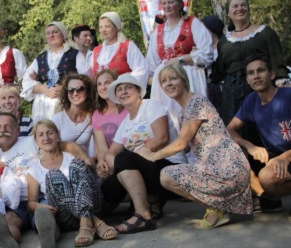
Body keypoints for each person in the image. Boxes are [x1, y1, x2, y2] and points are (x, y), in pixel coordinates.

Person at [144, 64, 252, 228]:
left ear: (184, 81)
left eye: (173, 78)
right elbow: (186, 147)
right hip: (214, 168)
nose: (168, 84)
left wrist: (152, 156)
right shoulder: (182, 113)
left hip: (227, 168)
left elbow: (181, 143)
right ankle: (219, 208)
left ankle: (217, 209)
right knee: (169, 173)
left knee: (167, 176)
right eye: (164, 81)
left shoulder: (197, 102)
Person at [0, 112, 95, 248]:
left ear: (17, 130)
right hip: (17, 201)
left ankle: (48, 237)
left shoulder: (30, 141)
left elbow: (65, 144)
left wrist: (84, 157)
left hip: (42, 195)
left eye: (8, 126)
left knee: (43, 217)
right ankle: (9, 241)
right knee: (10, 220)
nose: (3, 130)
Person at [227, 54, 291, 217]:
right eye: (251, 73)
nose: (256, 76)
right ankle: (270, 198)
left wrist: (285, 158)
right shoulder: (252, 100)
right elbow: (229, 130)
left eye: (260, 71)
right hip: (272, 157)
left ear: (271, 74)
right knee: (233, 159)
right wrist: (250, 146)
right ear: (247, 79)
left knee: (267, 178)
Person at [100, 74, 187, 233]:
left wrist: (127, 159)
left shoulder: (151, 105)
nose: (124, 92)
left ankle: (143, 215)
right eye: (119, 90)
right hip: (147, 168)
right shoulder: (125, 123)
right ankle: (153, 201)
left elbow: (162, 137)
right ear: (117, 97)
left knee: (125, 159)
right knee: (109, 186)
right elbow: (111, 151)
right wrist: (113, 163)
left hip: (169, 165)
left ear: (139, 91)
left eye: (128, 88)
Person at [27, 119, 114, 248]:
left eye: (50, 133)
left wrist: (86, 163)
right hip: (66, 216)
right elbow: (31, 203)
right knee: (52, 175)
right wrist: (42, 206)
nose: (46, 138)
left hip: (94, 205)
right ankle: (96, 222)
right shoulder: (34, 169)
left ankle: (86, 225)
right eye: (41, 135)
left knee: (76, 165)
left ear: (57, 135)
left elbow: (90, 171)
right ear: (36, 140)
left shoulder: (71, 155)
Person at [214, 0, 288, 126]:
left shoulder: (265, 33)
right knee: (234, 129)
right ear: (229, 13)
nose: (239, 9)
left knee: (263, 127)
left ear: (248, 9)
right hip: (232, 94)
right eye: (235, 6)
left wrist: (279, 90)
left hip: (260, 87)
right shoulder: (224, 42)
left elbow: (277, 62)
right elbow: (220, 71)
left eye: (243, 5)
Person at [148, 0, 214, 128]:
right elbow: (152, 61)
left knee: (192, 115)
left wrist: (181, 60)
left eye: (171, 2)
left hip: (189, 76)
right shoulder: (159, 31)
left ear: (179, 4)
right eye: (164, 3)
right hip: (165, 78)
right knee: (167, 118)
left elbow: (207, 53)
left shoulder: (192, 23)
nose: (167, 6)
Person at [21, 22, 80, 123]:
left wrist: (65, 88)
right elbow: (27, 80)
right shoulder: (41, 57)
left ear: (63, 34)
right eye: (48, 33)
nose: (51, 35)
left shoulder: (75, 54)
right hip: (42, 105)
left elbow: (84, 77)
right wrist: (44, 88)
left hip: (65, 101)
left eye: (55, 32)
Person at [90, 12, 148, 86]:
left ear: (116, 28)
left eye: (107, 26)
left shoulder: (127, 46)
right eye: (101, 27)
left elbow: (141, 70)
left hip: (122, 91)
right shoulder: (96, 51)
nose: (103, 30)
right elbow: (92, 77)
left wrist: (123, 82)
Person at [93, 69, 128, 180]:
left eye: (107, 83)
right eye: (99, 84)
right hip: (111, 160)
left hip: (130, 155)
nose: (103, 87)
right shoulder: (97, 114)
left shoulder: (127, 106)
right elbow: (102, 148)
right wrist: (101, 161)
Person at [51, 74, 95, 155]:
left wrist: (88, 160)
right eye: (70, 90)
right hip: (64, 161)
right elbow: (52, 147)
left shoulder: (92, 117)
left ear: (88, 92)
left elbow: (99, 148)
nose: (75, 93)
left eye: (80, 89)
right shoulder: (58, 118)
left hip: (85, 161)